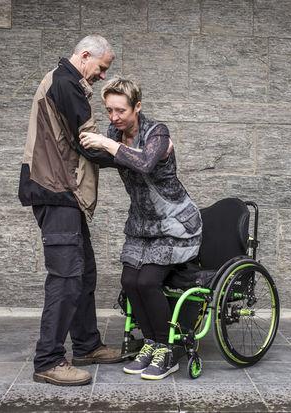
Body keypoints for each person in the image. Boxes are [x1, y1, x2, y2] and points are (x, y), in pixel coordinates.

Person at [79, 77, 203, 380]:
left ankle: (167, 349)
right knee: (129, 281)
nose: (114, 117)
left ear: (138, 106)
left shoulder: (157, 133)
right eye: (108, 111)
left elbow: (145, 163)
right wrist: (78, 135)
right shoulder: (115, 133)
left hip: (176, 224)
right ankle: (149, 342)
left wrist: (108, 144)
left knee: (147, 281)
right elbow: (100, 155)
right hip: (142, 224)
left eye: (120, 110)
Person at [18, 35, 123, 387]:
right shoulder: (66, 83)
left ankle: (86, 345)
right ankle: (48, 360)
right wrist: (132, 154)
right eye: (102, 68)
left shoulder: (62, 80)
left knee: (84, 272)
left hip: (65, 192)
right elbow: (89, 141)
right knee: (65, 277)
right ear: (85, 55)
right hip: (55, 189)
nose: (102, 76)